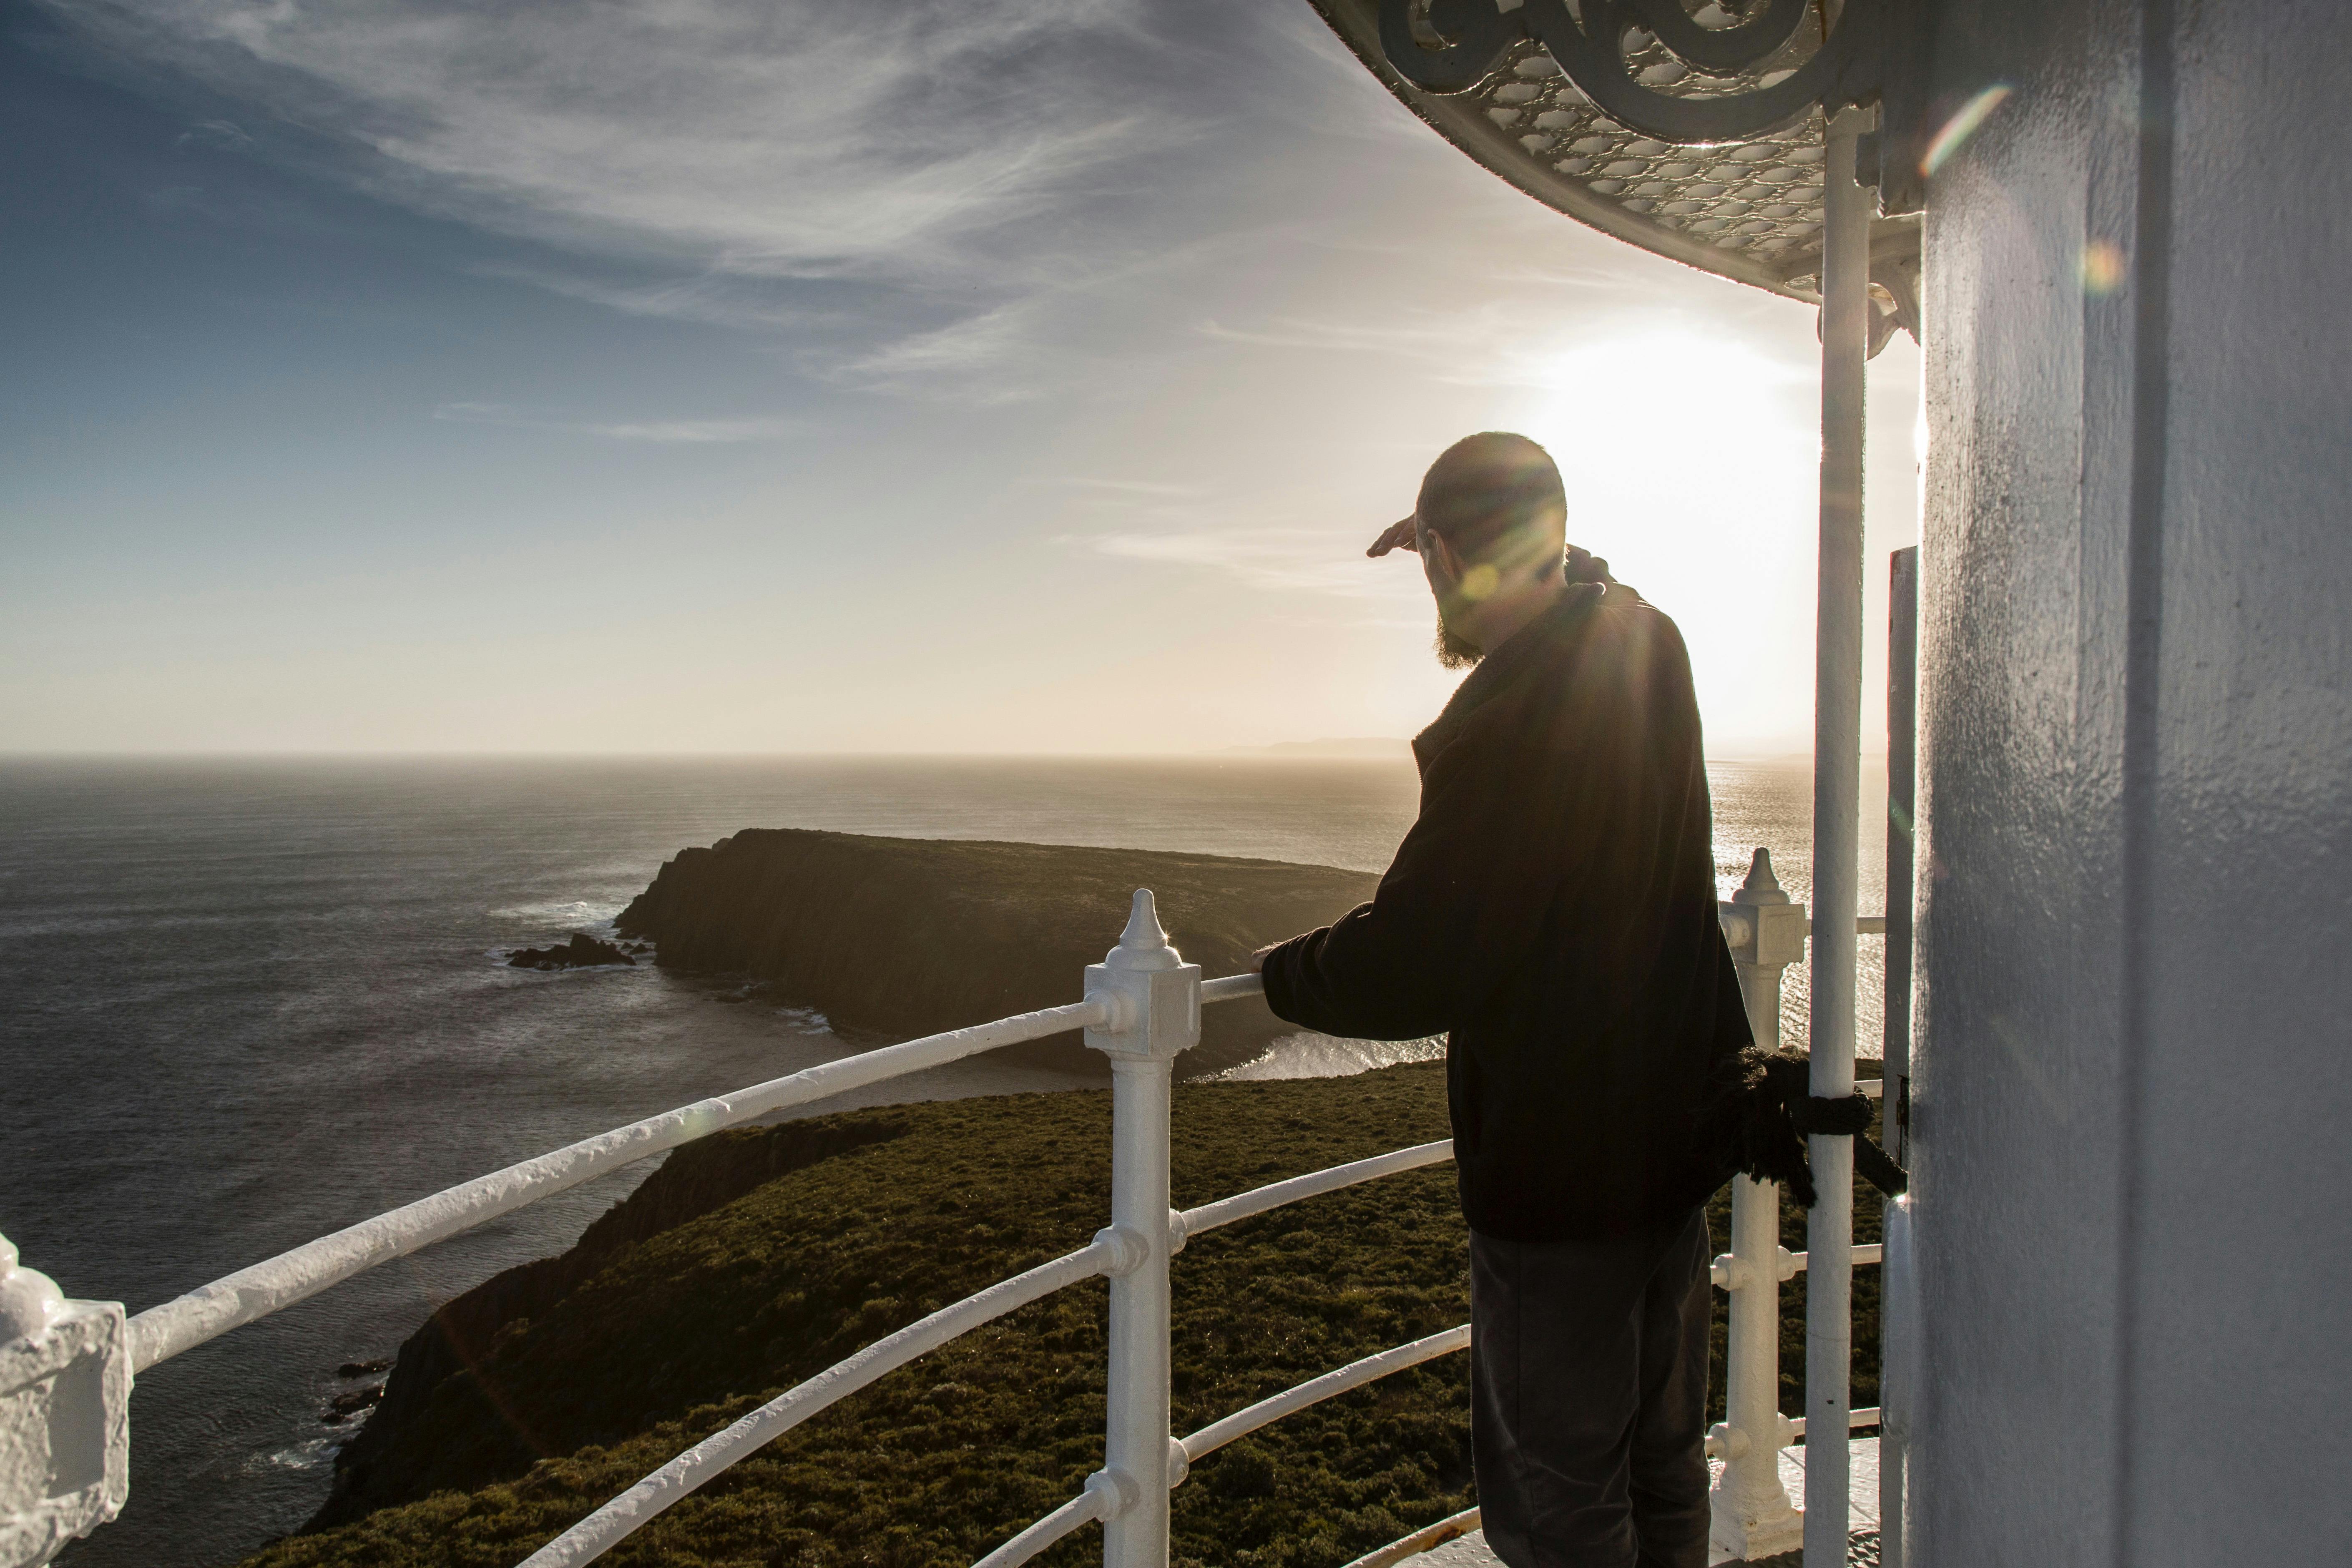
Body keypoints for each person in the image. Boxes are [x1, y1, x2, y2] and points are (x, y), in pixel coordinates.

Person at [1249, 432, 1750, 1568]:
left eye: (1430, 563)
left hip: (1564, 1171)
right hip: (1673, 1140)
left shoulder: (1508, 723)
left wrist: (1284, 973)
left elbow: (1423, 957)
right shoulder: (1646, 642)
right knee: (1662, 1464)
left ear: (1441, 553)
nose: (1430, 596)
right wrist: (1517, 546)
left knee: (1558, 1497)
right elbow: (1597, 588)